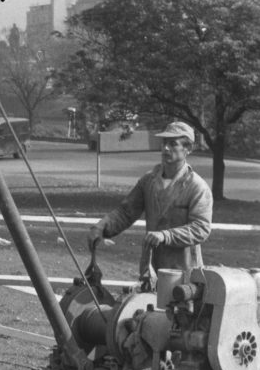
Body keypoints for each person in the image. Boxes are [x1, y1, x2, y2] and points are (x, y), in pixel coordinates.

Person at [87, 120, 212, 287]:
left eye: (173, 144)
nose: (166, 148)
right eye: (164, 143)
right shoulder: (149, 181)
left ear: (188, 149)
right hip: (151, 270)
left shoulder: (197, 187)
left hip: (184, 274)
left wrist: (165, 235)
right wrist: (102, 228)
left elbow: (201, 228)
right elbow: (126, 212)